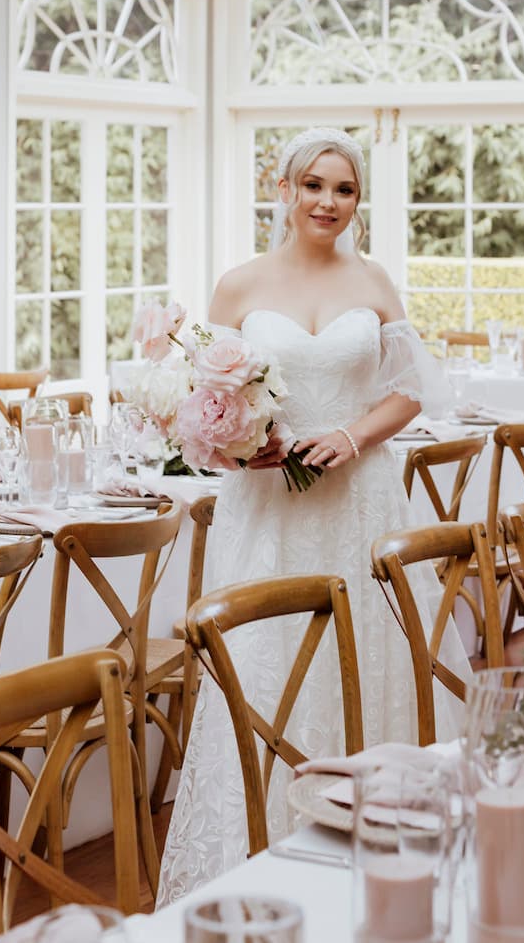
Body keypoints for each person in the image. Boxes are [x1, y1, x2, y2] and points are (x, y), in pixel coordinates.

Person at [157, 126, 469, 903]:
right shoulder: (238, 284)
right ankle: (255, 866)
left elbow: (410, 387)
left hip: (360, 501)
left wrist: (351, 435)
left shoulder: (372, 279)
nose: (328, 201)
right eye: (314, 185)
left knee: (370, 663)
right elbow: (204, 407)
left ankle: (382, 875)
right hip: (268, 514)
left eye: (345, 188)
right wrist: (243, 446)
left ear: (358, 200)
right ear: (285, 191)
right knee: (267, 672)